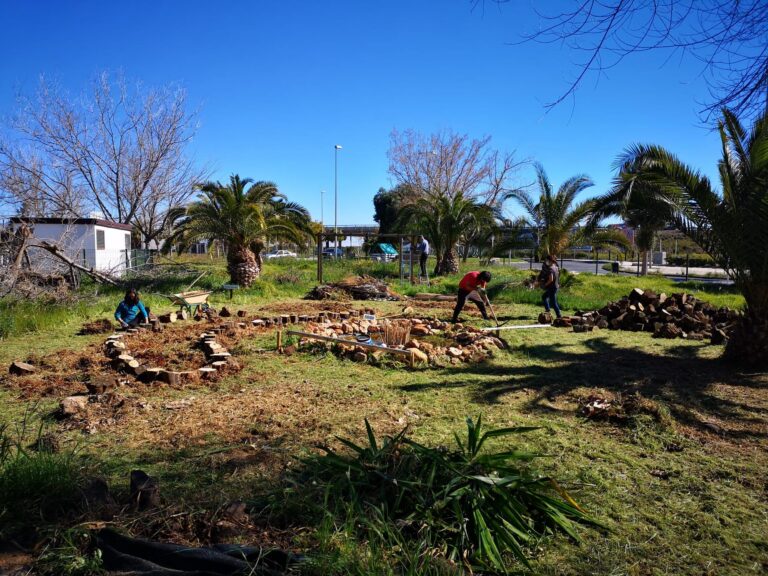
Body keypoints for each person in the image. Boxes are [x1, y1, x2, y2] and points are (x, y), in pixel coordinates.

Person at [539, 254, 562, 319]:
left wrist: (545, 284)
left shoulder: (550, 269)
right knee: (544, 297)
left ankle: (559, 315)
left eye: (546, 260)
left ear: (549, 261)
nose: (546, 261)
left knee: (553, 303)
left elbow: (551, 279)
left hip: (552, 287)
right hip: (556, 286)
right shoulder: (556, 266)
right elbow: (557, 276)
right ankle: (548, 311)